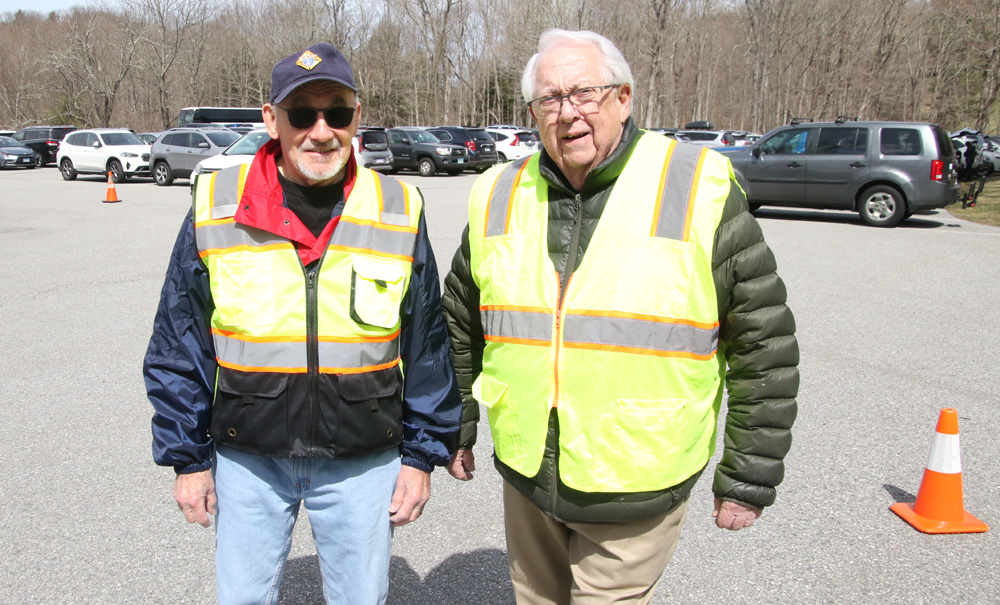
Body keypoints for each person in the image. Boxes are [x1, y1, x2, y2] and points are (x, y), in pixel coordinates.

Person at [442, 29, 798, 604]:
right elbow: (459, 323)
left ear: (624, 97)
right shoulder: (498, 192)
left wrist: (748, 475)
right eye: (549, 100)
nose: (567, 114)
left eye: (584, 93)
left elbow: (765, 342)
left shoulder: (696, 185)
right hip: (527, 474)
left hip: (637, 478)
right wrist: (454, 425)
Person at [144, 42, 461, 604]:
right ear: (271, 120)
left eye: (337, 112)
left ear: (356, 118)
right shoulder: (216, 205)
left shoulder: (398, 207)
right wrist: (187, 458)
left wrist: (421, 456)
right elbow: (180, 339)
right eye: (301, 114)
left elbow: (427, 344)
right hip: (248, 461)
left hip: (363, 462)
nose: (321, 131)